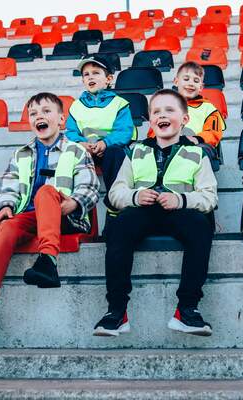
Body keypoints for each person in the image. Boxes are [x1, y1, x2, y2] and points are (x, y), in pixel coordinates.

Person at [0, 93, 100, 350]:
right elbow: (8, 186)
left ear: (61, 119)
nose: (39, 116)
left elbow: (90, 187)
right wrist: (5, 206)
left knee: (45, 192)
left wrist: (73, 203)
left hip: (64, 214)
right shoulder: (21, 154)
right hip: (29, 216)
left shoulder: (76, 150)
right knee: (4, 231)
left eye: (46, 111)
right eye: (33, 113)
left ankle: (47, 261)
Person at [93, 89, 218, 337]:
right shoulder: (135, 151)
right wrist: (136, 196)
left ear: (184, 119)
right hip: (143, 210)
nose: (162, 115)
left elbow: (209, 197)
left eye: (170, 110)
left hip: (179, 211)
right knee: (120, 226)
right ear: (150, 120)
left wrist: (180, 199)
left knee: (201, 226)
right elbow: (116, 192)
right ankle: (116, 311)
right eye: (156, 111)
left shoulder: (198, 154)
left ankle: (187, 309)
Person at [65, 55, 136, 207]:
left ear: (108, 79)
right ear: (83, 80)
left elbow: (124, 132)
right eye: (86, 74)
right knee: (68, 154)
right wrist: (81, 143)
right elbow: (70, 132)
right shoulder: (76, 106)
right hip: (85, 150)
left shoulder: (119, 104)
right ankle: (70, 201)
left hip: (110, 150)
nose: (90, 77)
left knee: (115, 153)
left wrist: (105, 143)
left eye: (96, 73)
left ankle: (115, 200)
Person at [147, 61, 226, 171]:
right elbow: (154, 130)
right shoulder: (164, 105)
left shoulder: (208, 108)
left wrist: (196, 139)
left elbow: (213, 133)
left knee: (201, 151)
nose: (191, 83)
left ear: (201, 87)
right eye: (186, 79)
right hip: (167, 146)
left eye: (196, 81)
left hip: (196, 145)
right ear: (176, 81)